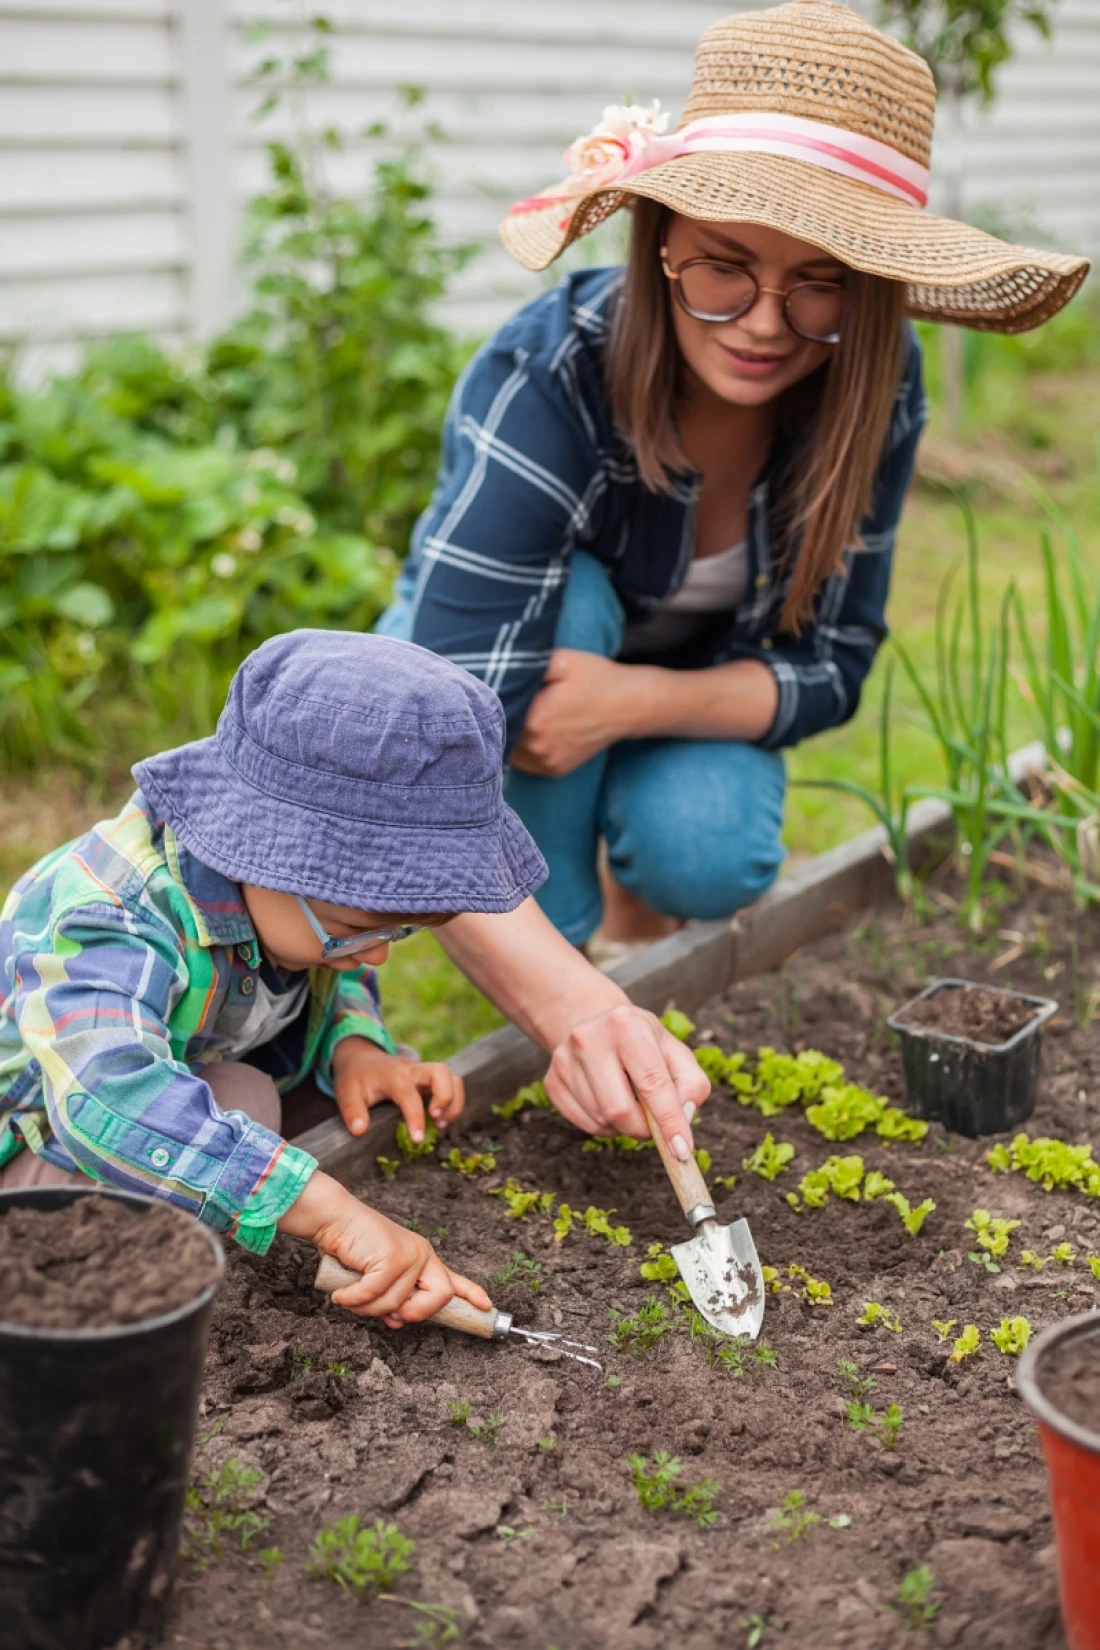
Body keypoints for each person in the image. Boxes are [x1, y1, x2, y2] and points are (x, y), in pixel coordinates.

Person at [377, 0, 1087, 962]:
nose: (763, 323)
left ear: (873, 286)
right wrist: (564, 989)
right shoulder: (550, 373)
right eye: (725, 267)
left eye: (822, 283)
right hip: (503, 666)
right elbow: (459, 709)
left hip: (677, 680)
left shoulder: (877, 382)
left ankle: (638, 912)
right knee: (574, 604)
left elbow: (831, 665)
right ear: (662, 239)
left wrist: (632, 702)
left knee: (710, 856)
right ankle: (573, 936)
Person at [0, 631, 707, 1325]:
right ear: (261, 852)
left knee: (323, 1098)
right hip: (38, 1150)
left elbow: (327, 965)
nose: (377, 957)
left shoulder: (294, 914)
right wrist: (328, 1212)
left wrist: (356, 1047)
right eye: (356, 929)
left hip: (176, 1077)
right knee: (245, 1102)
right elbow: (107, 1095)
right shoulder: (109, 914)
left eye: (402, 932)